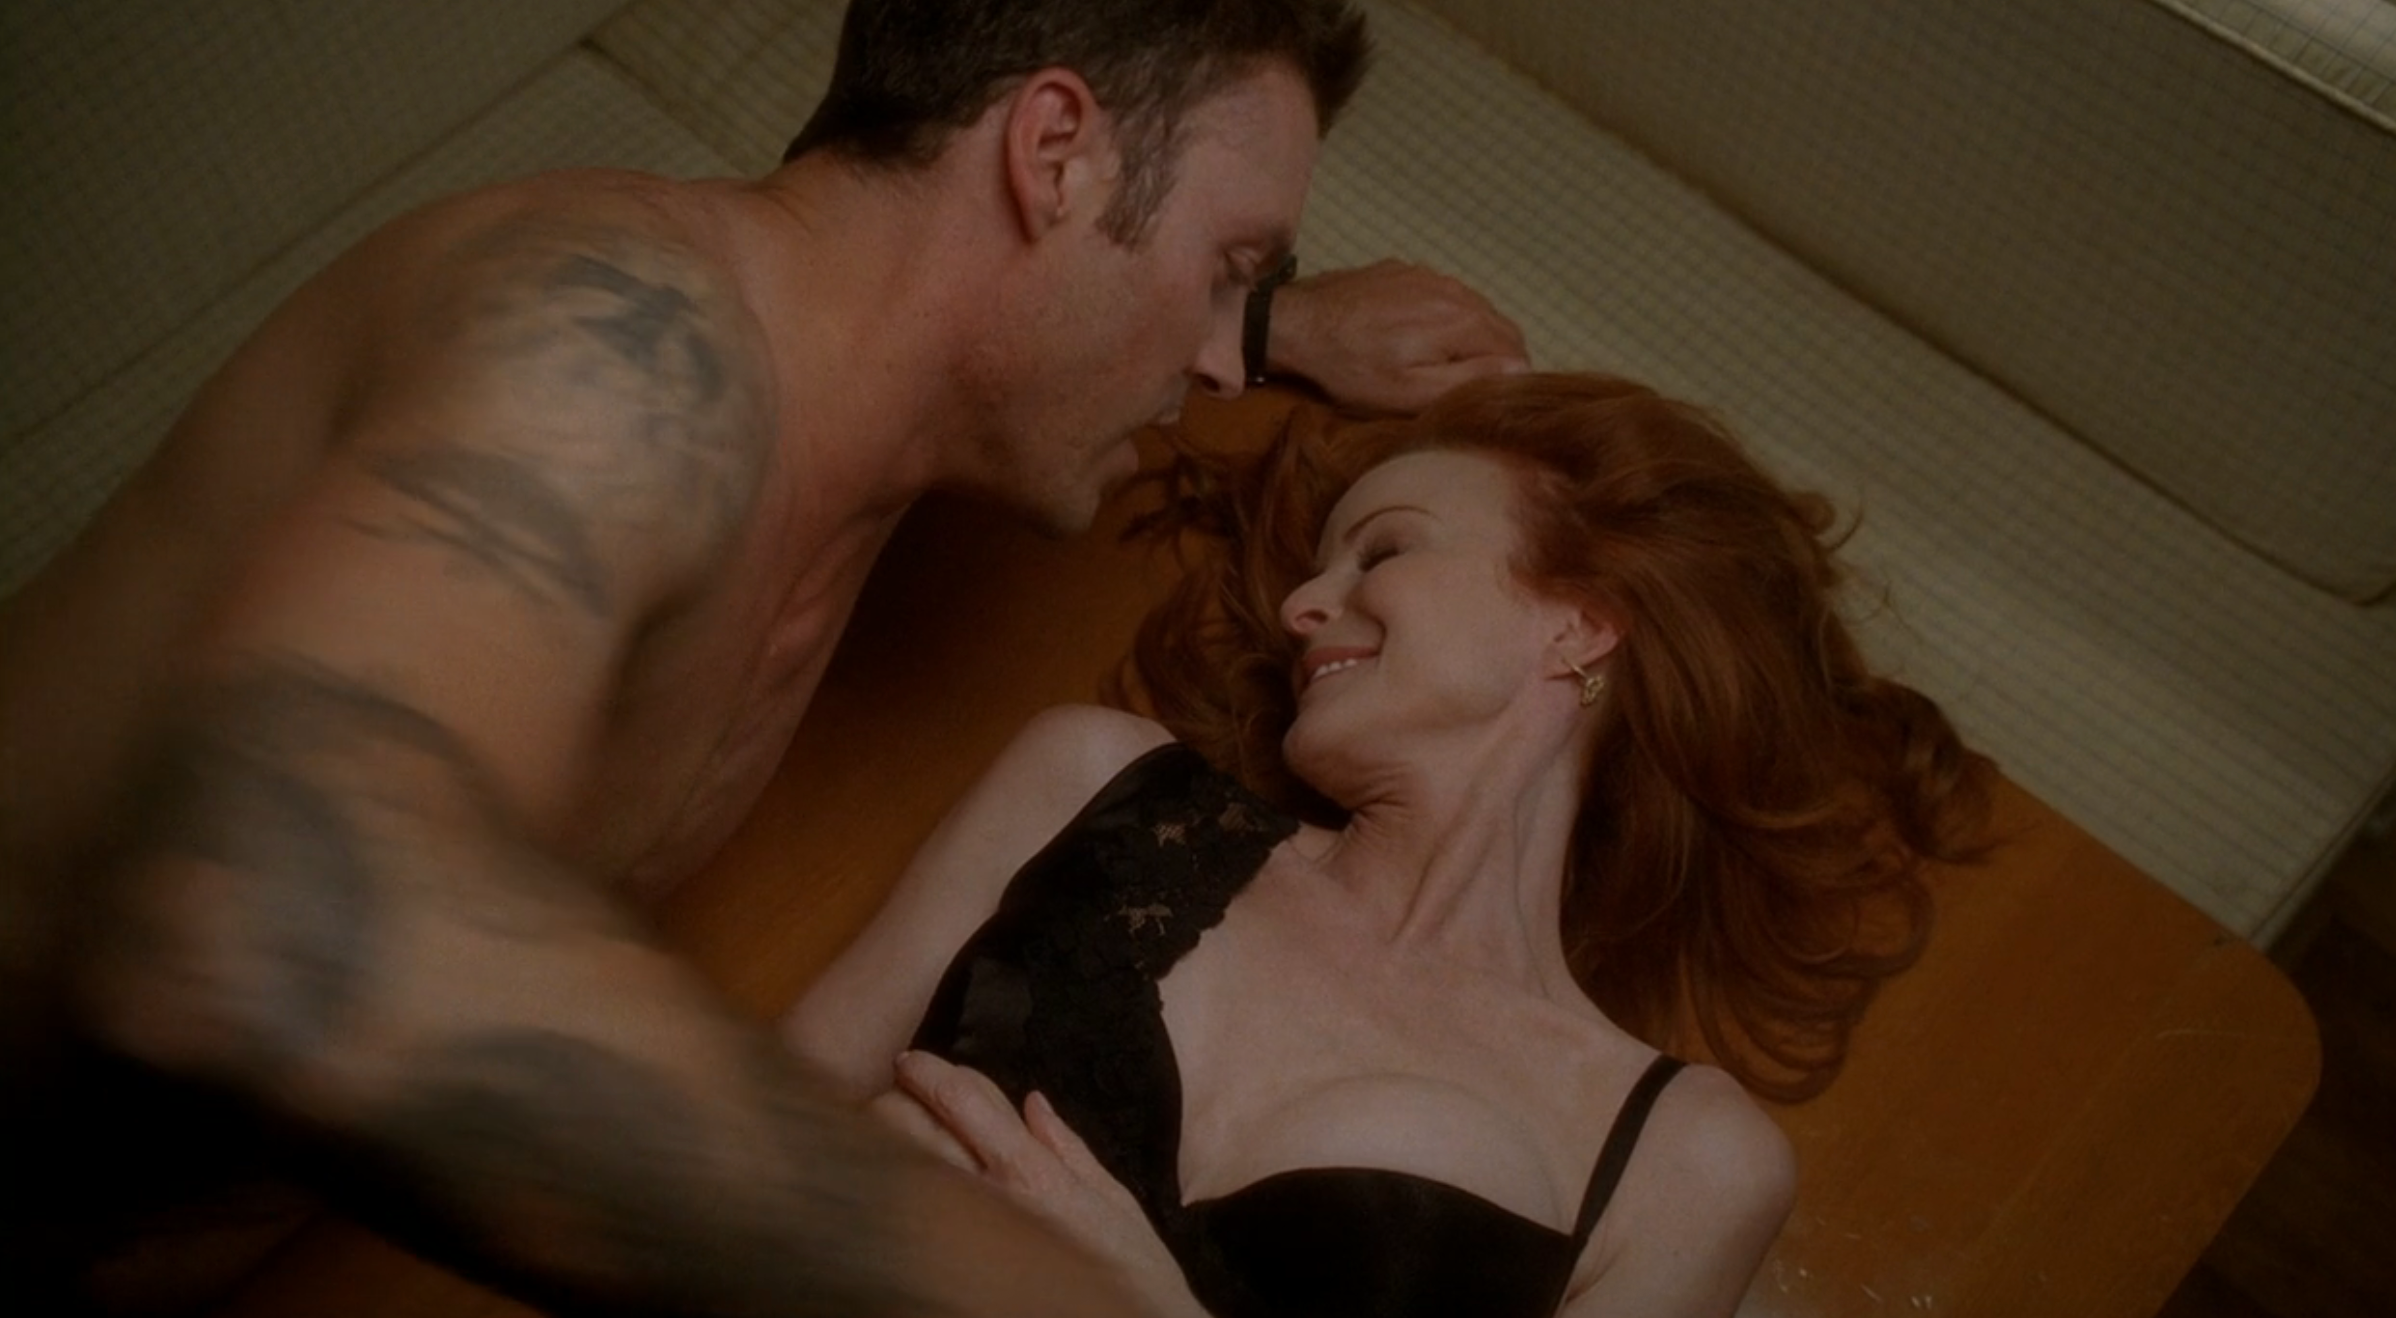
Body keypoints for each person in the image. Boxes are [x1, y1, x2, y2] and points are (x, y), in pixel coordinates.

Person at [0, 1, 1530, 1314]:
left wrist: (1274, 323)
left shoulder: (854, 438)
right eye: (1224, 261)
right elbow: (269, 914)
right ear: (1056, 151)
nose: (1212, 351)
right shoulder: (607, 345)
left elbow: (1044, 315)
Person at [785, 373, 1995, 1315]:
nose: (1302, 605)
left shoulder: (1689, 1159)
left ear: (1578, 625)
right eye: (1318, 567)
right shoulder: (1092, 781)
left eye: (1384, 550)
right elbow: (761, 1116)